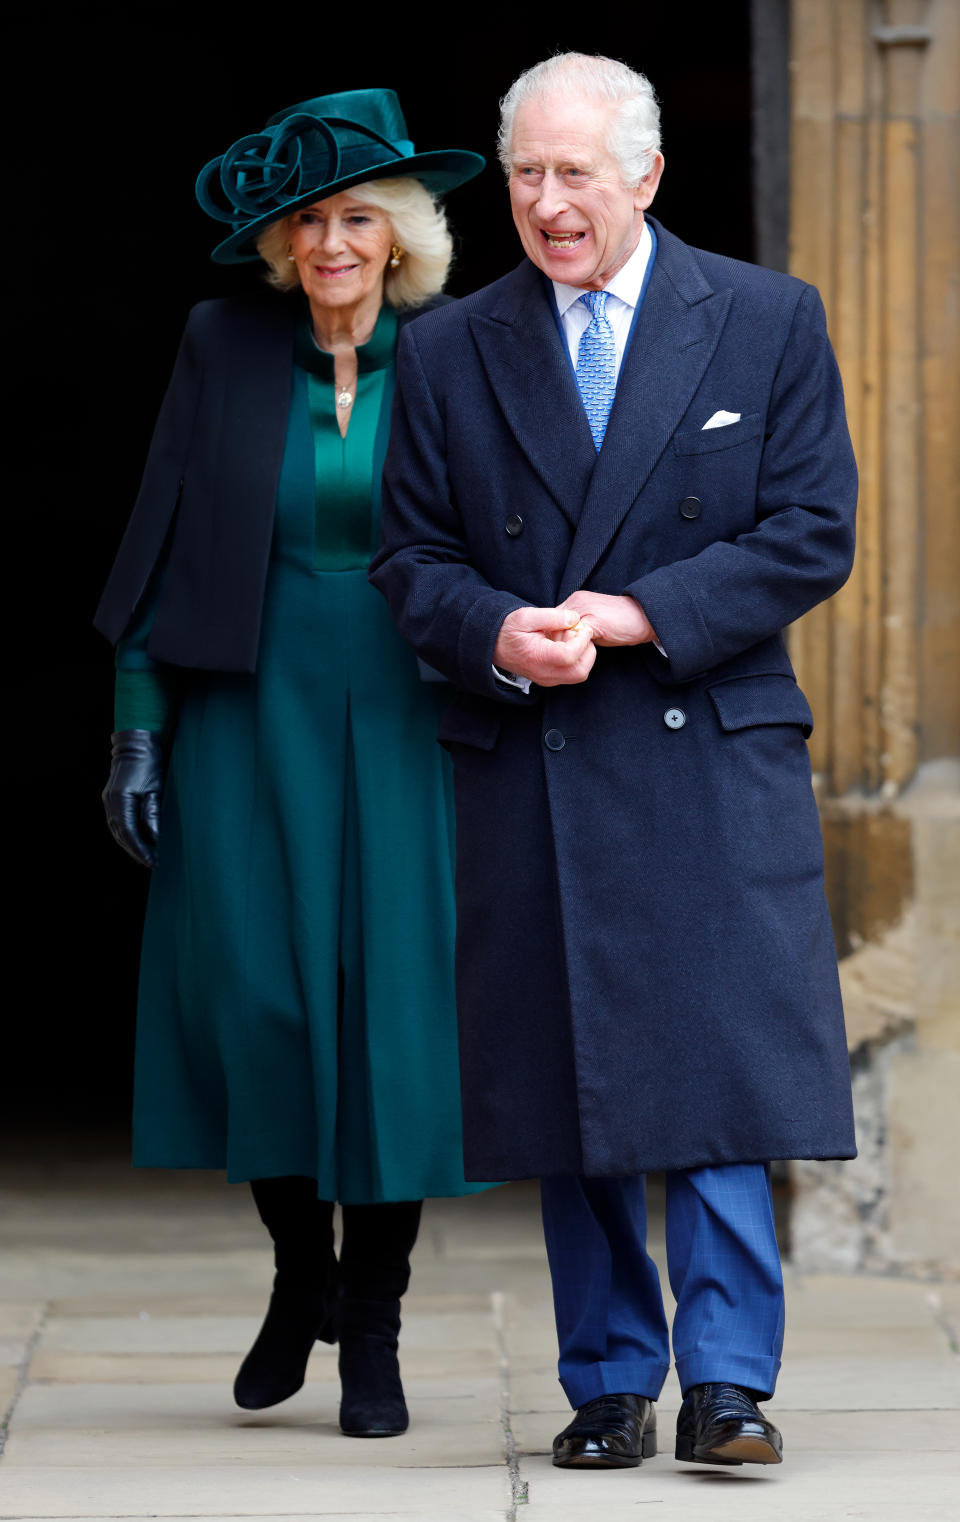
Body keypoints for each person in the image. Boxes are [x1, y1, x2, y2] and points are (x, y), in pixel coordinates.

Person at [371, 53, 858, 1471]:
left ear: (645, 176)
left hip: (702, 740)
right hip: (538, 746)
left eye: (575, 171)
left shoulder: (766, 320)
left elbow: (812, 527)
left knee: (714, 1072)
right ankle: (605, 1378)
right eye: (525, 174)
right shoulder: (454, 346)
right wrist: (499, 633)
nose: (547, 202)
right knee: (569, 1072)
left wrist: (643, 611)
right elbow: (411, 557)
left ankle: (725, 1381)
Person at [94, 88, 487, 1438]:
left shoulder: (460, 354)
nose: (331, 242)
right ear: (282, 244)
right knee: (259, 1002)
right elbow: (161, 530)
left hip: (407, 712)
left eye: (357, 217)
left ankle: (371, 1325)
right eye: (309, 220)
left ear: (403, 239)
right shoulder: (222, 341)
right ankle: (298, 1268)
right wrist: (137, 716)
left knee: (392, 1023)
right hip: (244, 712)